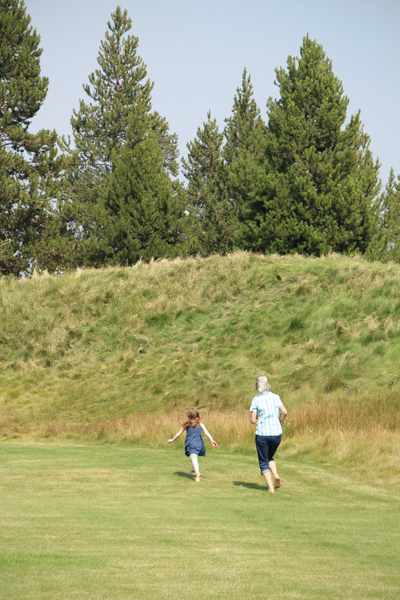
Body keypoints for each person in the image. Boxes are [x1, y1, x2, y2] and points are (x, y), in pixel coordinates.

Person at [249, 375, 287, 493]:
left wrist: (257, 415)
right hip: (277, 434)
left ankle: (270, 488)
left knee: (263, 461)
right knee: (269, 456)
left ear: (257, 386)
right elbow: (284, 412)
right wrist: (279, 420)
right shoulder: (276, 397)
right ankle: (275, 475)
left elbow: (253, 420)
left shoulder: (256, 399)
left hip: (263, 434)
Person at [168, 408, 218, 482]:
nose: (192, 420)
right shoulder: (197, 425)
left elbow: (179, 433)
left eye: (192, 418)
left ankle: (198, 473)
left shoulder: (190, 425)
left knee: (193, 457)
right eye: (191, 418)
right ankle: (193, 468)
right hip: (198, 444)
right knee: (193, 456)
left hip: (192, 443)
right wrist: (173, 439)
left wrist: (211, 440)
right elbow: (206, 432)